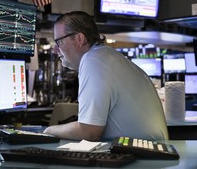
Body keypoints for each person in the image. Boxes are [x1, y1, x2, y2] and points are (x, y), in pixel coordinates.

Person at [43, 11, 168, 141]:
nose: (55, 49)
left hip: (143, 155)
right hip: (148, 151)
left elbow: (89, 132)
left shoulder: (93, 61)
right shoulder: (106, 56)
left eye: (59, 42)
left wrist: (49, 130)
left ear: (80, 39)